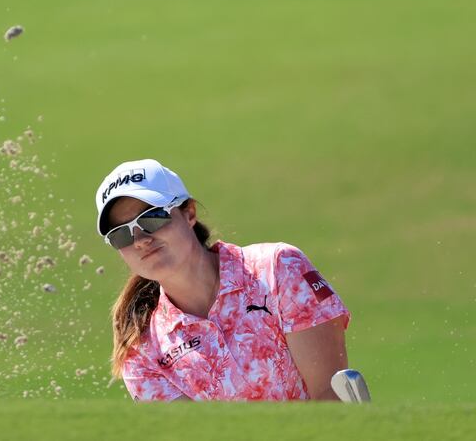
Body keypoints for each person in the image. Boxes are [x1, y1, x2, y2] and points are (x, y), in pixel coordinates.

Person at [95, 159, 351, 401]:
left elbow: (330, 395)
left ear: (189, 213)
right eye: (121, 235)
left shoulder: (278, 268)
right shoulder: (141, 350)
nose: (140, 240)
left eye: (151, 218)